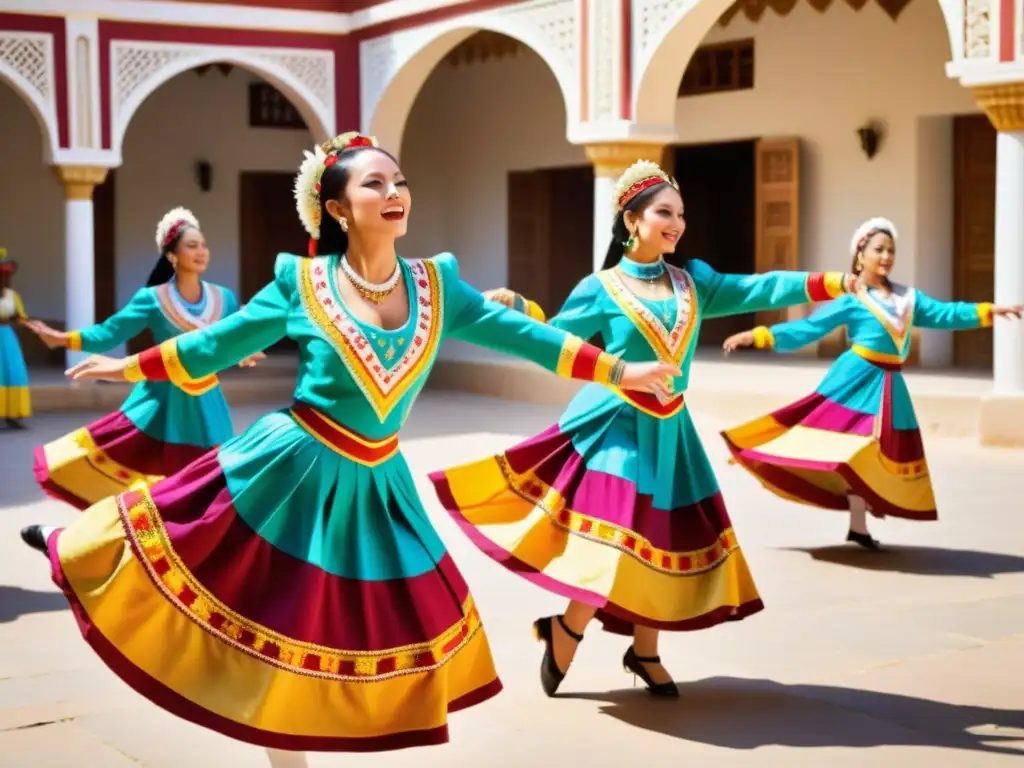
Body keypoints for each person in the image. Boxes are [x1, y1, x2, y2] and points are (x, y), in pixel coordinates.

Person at [18, 133, 677, 764]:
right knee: (202, 559)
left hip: (375, 480)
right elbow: (212, 346)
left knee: (371, 619)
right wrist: (123, 368)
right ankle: (64, 544)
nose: (395, 192)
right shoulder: (300, 284)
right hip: (289, 467)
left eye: (400, 181)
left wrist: (620, 371)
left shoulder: (438, 285)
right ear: (337, 208)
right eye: (375, 182)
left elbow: (525, 337)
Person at [429, 159, 860, 699]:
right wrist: (516, 307)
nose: (676, 223)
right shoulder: (601, 287)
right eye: (664, 212)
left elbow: (762, 288)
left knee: (660, 538)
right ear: (632, 220)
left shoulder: (695, 283)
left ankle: (645, 650)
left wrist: (837, 282)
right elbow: (556, 340)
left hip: (671, 433)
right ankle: (568, 628)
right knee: (615, 538)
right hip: (614, 424)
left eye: (680, 214)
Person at [720, 217, 1023, 549]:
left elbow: (944, 313)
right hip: (855, 380)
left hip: (890, 386)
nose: (886, 257)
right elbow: (809, 328)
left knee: (871, 452)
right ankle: (768, 457)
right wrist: (759, 335)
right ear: (860, 255)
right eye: (879, 249)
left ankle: (858, 526)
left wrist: (988, 311)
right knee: (849, 447)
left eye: (891, 250)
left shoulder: (908, 299)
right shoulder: (851, 298)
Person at [25, 208, 259, 509]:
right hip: (160, 402)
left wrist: (245, 352)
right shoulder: (152, 299)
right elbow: (109, 333)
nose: (201, 251)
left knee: (213, 483)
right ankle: (141, 542)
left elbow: (231, 340)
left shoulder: (223, 298)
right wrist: (61, 339)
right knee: (155, 489)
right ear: (172, 255)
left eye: (203, 245)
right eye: (191, 245)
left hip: (207, 404)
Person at [0, 249, 31, 429]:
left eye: (5, 275)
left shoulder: (13, 296)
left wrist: (26, 323)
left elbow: (21, 316)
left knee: (12, 372)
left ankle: (12, 414)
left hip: (7, 337)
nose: (3, 279)